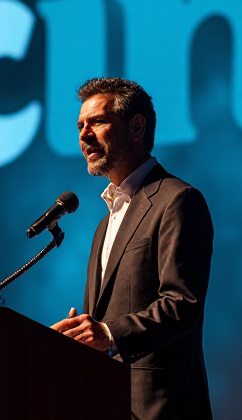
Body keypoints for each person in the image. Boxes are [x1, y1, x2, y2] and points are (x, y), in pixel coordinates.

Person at [51, 77, 214, 420]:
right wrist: (79, 337)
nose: (83, 134)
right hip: (108, 403)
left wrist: (108, 333)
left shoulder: (176, 201)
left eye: (96, 121)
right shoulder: (104, 224)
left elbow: (182, 304)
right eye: (80, 125)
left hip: (160, 408)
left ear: (136, 126)